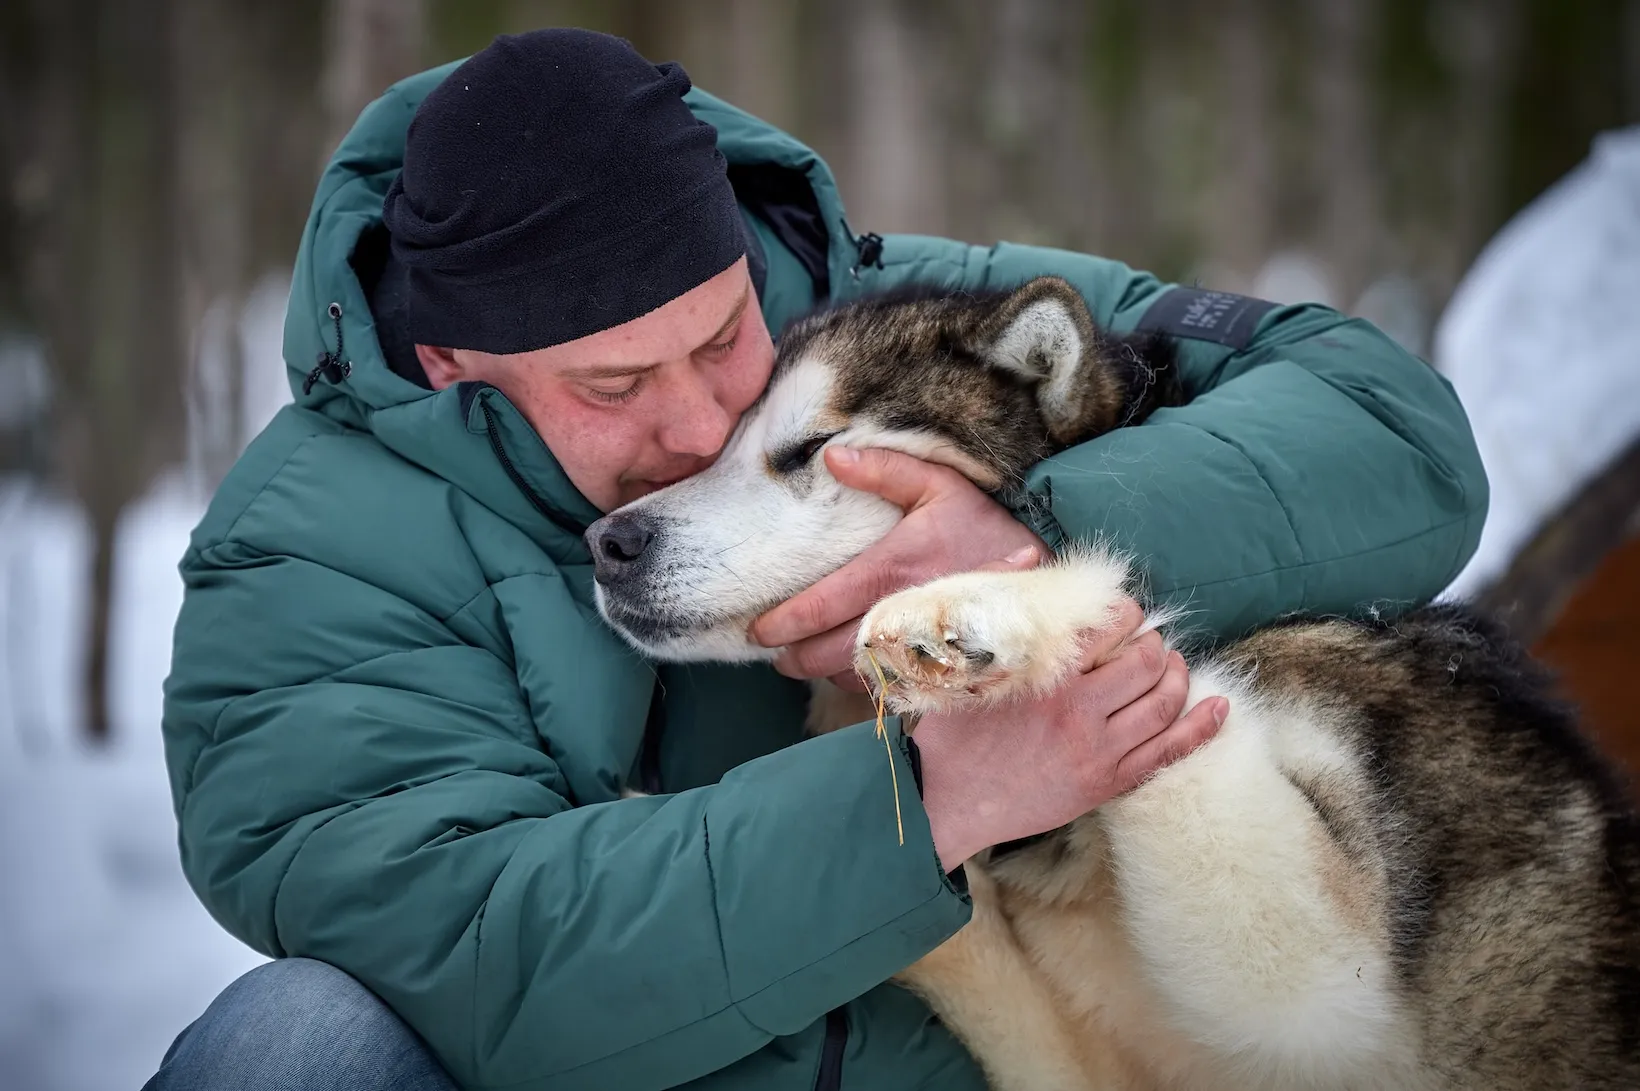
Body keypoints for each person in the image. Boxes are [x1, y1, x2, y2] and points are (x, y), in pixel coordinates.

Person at [146, 28, 1487, 1091]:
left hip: (1035, 1055)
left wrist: (1036, 524)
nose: (698, 421)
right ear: (451, 365)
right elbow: (496, 955)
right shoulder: (304, 556)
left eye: (719, 335)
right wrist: (930, 796)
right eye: (612, 386)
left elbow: (1386, 427)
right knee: (295, 1044)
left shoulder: (871, 319)